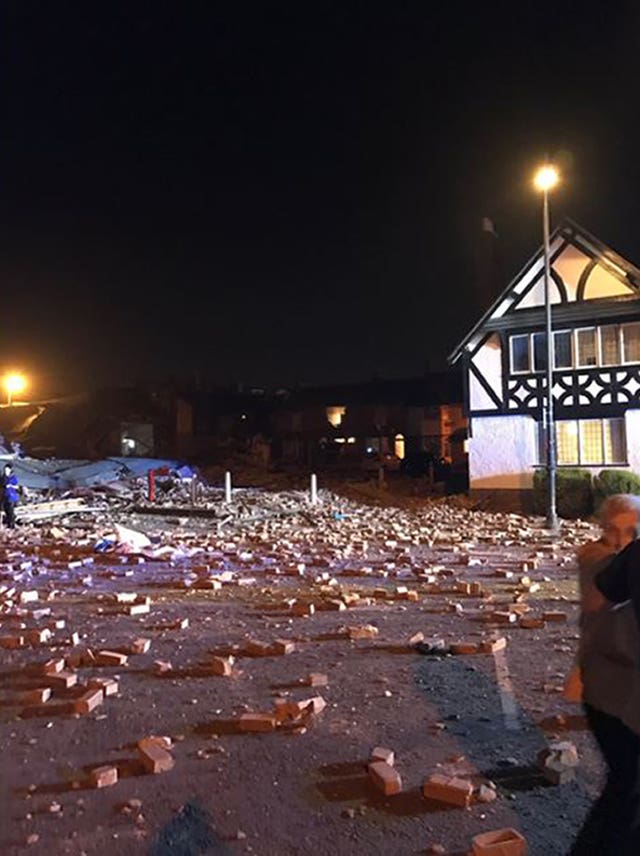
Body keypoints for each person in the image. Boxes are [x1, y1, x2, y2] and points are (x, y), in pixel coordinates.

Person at [571, 494, 640, 855]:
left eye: (630, 531)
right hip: (612, 695)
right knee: (626, 792)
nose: (619, 538)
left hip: (618, 693)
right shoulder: (597, 562)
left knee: (624, 790)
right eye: (613, 530)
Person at [0, 463, 19, 529]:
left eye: (7, 470)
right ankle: (8, 525)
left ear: (10, 470)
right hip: (4, 496)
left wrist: (11, 486)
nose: (6, 471)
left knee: (11, 511)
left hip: (11, 496)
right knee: (6, 511)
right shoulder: (3, 477)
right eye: (5, 470)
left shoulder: (13, 477)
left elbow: (17, 486)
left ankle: (12, 525)